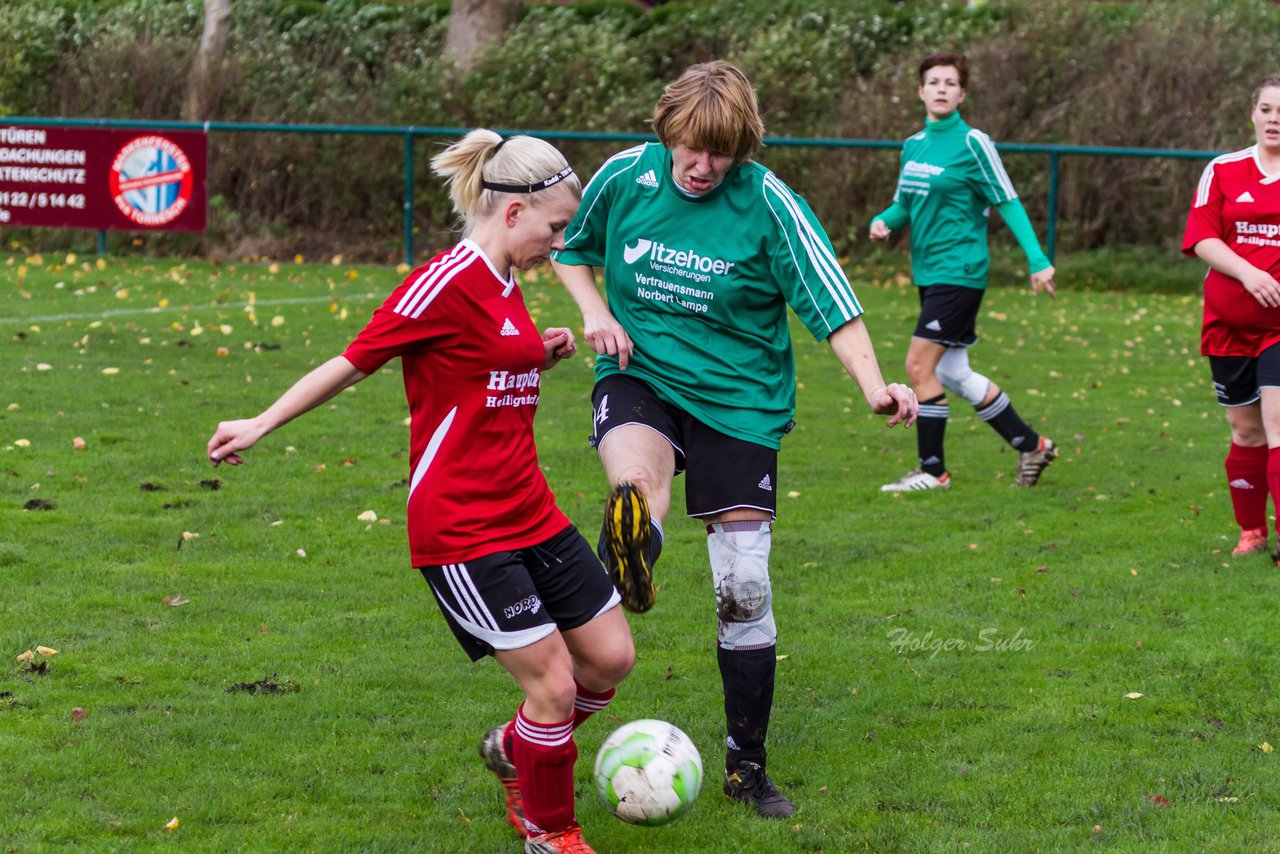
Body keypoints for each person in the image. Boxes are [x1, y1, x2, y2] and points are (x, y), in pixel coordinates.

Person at [206, 130, 633, 854]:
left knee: (610, 659)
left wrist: (544, 351)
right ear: (512, 212)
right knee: (556, 686)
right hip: (464, 528)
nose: (559, 247)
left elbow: (484, 366)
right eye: (555, 229)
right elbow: (353, 361)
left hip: (529, 509)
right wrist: (262, 420)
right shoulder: (445, 281)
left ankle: (515, 746)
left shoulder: (506, 285)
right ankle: (550, 831)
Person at [551, 60, 917, 819]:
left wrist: (874, 384)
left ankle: (745, 766)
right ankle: (632, 545)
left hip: (739, 403)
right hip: (640, 370)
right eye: (689, 146)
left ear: (742, 149)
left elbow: (831, 303)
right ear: (667, 133)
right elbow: (571, 248)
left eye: (719, 152)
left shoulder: (769, 204)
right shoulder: (627, 177)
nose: (701, 165)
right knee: (635, 484)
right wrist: (594, 310)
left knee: (744, 590)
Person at [871, 51, 1059, 492]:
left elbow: (1007, 199)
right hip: (929, 271)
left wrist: (1037, 260)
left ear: (962, 93)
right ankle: (1032, 445)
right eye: (933, 81)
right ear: (920, 91)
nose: (941, 89)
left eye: (950, 83)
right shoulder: (913, 145)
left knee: (918, 366)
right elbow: (906, 204)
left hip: (962, 270)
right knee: (953, 374)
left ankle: (933, 471)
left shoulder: (975, 143)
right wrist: (882, 222)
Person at [1183, 76, 1280, 563]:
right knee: (1246, 432)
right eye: (1267, 109)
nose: (1275, 119)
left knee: (1278, 424)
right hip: (1226, 325)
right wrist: (1250, 273)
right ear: (1253, 114)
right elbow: (1202, 237)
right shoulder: (1223, 169)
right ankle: (1252, 531)